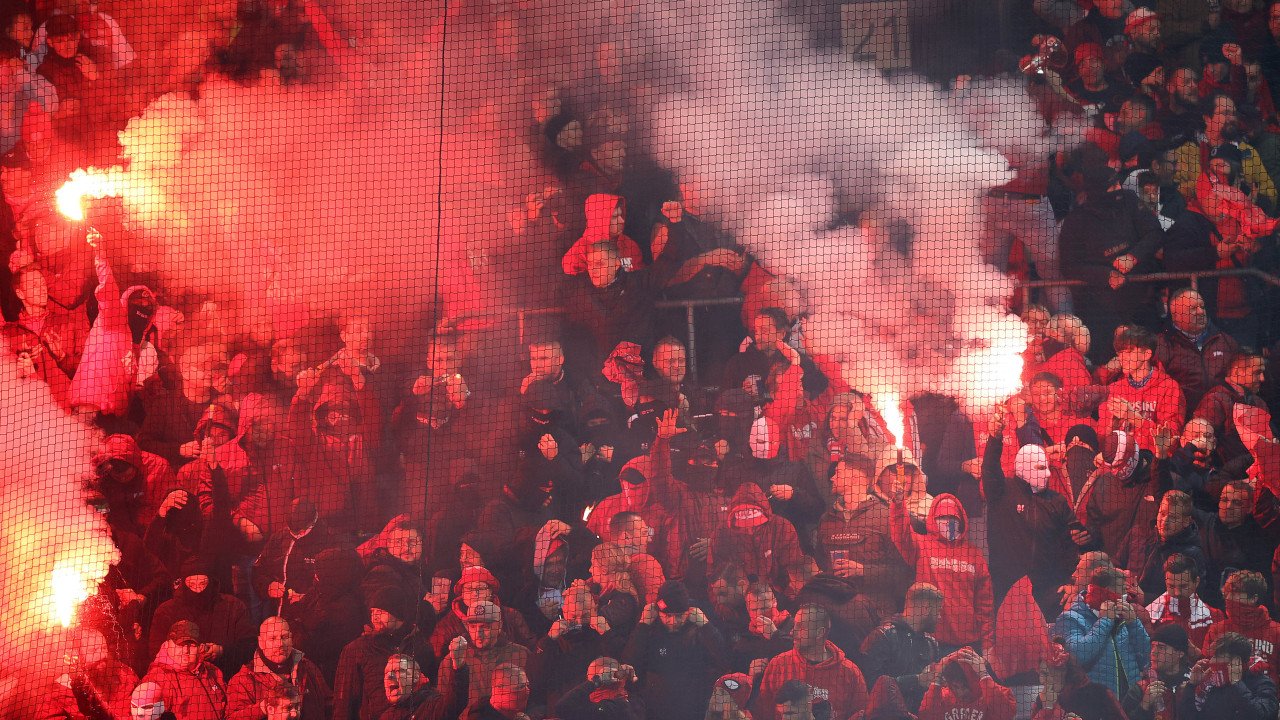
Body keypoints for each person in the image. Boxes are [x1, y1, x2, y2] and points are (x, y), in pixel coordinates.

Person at [982, 426, 1089, 616]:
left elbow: (1072, 545)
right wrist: (995, 438)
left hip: (1049, 592)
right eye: (1041, 468)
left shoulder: (1057, 501)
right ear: (1023, 468)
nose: (1047, 473)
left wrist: (1071, 583)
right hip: (1008, 591)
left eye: (1047, 467)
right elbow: (989, 468)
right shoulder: (1001, 492)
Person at [623, 580, 729, 720]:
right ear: (658, 611)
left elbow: (725, 660)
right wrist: (642, 626)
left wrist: (707, 627)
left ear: (689, 611)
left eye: (679, 615)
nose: (673, 621)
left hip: (694, 706)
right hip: (656, 707)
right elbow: (629, 664)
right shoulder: (649, 627)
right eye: (667, 615)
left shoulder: (701, 624)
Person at [332, 586, 435, 720]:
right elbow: (343, 703)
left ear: (397, 613)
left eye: (380, 611)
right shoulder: (356, 650)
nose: (374, 617)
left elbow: (430, 693)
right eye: (372, 612)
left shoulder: (421, 647)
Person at [753, 603, 867, 720]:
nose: (792, 632)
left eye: (801, 627)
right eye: (794, 626)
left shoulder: (850, 673)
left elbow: (860, 715)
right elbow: (762, 712)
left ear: (819, 633)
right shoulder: (778, 664)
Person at [1053, 565, 1152, 699]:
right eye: (1121, 592)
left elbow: (1146, 657)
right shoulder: (1069, 618)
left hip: (1131, 701)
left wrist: (1134, 623)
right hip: (1097, 703)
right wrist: (1105, 621)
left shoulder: (1126, 616)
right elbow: (1078, 656)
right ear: (1106, 592)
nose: (1125, 598)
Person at [1098, 326, 1187, 455]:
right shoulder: (1114, 389)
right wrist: (1111, 427)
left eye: (1128, 352)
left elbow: (1170, 441)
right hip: (1120, 463)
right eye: (1120, 353)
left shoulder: (1169, 387)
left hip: (1153, 465)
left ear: (1146, 354)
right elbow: (1101, 441)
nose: (1122, 358)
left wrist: (1134, 418)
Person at [857, 582, 943, 712]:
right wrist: (916, 681)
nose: (940, 617)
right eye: (938, 611)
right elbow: (870, 685)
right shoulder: (882, 637)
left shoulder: (932, 644)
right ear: (926, 609)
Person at [436, 601, 530, 717]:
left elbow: (536, 698)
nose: (478, 634)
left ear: (499, 626)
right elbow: (443, 708)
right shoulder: (452, 660)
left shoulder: (520, 654)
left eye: (485, 627)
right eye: (473, 626)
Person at [225, 617, 330, 720]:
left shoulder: (308, 668)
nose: (280, 644)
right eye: (272, 638)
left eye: (284, 637)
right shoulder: (243, 680)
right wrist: (263, 708)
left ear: (291, 639)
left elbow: (330, 705)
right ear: (261, 642)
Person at [1155, 288, 1240, 411]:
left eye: (1202, 307)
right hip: (1182, 416)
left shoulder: (1226, 341)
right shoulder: (1162, 344)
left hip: (1222, 415)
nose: (1201, 312)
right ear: (1176, 316)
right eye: (1193, 309)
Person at [1201, 571, 1280, 684]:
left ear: (1253, 598)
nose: (1228, 598)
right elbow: (1207, 669)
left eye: (1234, 594)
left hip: (1265, 697)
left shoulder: (1276, 632)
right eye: (1226, 593)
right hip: (1227, 698)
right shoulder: (1217, 630)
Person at [1177, 631, 1279, 719]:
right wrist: (1192, 685)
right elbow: (1190, 717)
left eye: (1217, 656)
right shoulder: (1214, 685)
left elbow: (1260, 715)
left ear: (1236, 661)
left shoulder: (1263, 684)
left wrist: (1237, 684)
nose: (1211, 661)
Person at [141, 621, 229, 720]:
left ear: (200, 647)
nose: (185, 650)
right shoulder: (157, 679)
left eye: (191, 645)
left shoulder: (213, 672)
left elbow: (227, 711)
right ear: (167, 644)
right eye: (180, 645)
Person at [1194, 352, 1268, 468]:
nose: (1263, 379)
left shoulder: (1259, 403)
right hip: (1226, 477)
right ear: (1237, 372)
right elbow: (1199, 443)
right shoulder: (1215, 400)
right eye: (1257, 373)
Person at [1146, 553, 1223, 650]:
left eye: (1183, 586)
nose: (1177, 593)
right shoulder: (1149, 614)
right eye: (1171, 586)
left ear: (1196, 582)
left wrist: (1197, 655)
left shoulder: (1215, 617)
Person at [917, 647, 1016, 720]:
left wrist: (983, 674)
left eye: (964, 687)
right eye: (955, 687)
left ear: (975, 680)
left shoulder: (999, 693)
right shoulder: (942, 697)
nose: (961, 693)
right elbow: (925, 716)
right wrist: (936, 679)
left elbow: (1006, 714)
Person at [1122, 622, 1193, 720]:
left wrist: (1190, 691)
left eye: (1161, 647)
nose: (1153, 652)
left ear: (1180, 653)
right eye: (1153, 646)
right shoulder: (1140, 689)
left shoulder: (1195, 684)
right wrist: (1144, 706)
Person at [379, 653, 467, 720]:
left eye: (398, 670)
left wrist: (459, 668)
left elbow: (454, 704)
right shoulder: (386, 717)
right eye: (386, 673)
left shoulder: (433, 706)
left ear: (416, 676)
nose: (389, 676)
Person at [553, 656, 645, 720]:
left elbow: (562, 707)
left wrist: (596, 681)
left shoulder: (608, 709)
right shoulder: (634, 702)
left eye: (591, 679)